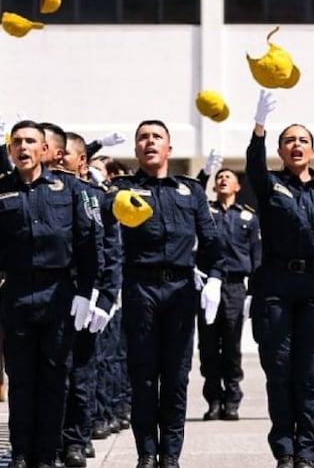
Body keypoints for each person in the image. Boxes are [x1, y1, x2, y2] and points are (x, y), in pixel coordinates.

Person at [247, 90, 314, 468]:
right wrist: (259, 128)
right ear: (280, 150)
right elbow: (254, 166)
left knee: (310, 378)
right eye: (289, 140)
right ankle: (284, 451)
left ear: (312, 149)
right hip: (276, 288)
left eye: (303, 140)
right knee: (279, 373)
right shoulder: (270, 185)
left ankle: (307, 453)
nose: (297, 145)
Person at [110, 120, 227, 468]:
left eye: (156, 137)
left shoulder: (190, 191)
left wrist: (216, 278)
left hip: (179, 290)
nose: (149, 142)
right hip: (139, 287)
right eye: (143, 138)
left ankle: (171, 454)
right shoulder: (120, 189)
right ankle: (147, 452)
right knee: (143, 374)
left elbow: (211, 242)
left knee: (176, 375)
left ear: (169, 149)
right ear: (135, 150)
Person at [0, 120, 100, 468]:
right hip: (16, 294)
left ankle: (46, 454)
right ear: (10, 150)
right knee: (21, 379)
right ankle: (21, 452)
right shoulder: (1, 192)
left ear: (44, 150)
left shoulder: (69, 189)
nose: (23, 147)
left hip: (59, 293)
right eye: (17, 142)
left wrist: (88, 294)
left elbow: (89, 244)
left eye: (30, 141)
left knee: (55, 376)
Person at [55, 127, 121, 468]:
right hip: (53, 296)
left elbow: (110, 251)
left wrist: (105, 298)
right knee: (53, 375)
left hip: (87, 295)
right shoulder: (46, 192)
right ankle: (52, 439)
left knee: (82, 374)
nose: (58, 157)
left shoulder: (94, 196)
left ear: (81, 160)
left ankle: (76, 440)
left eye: (64, 152)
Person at [198, 168, 261, 423]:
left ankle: (232, 401)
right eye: (219, 178)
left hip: (235, 287)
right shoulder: (206, 212)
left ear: (237, 187)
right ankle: (213, 400)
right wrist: (204, 173)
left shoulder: (248, 216)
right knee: (209, 346)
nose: (222, 180)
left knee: (232, 347)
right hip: (207, 286)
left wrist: (253, 292)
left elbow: (257, 256)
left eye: (228, 178)